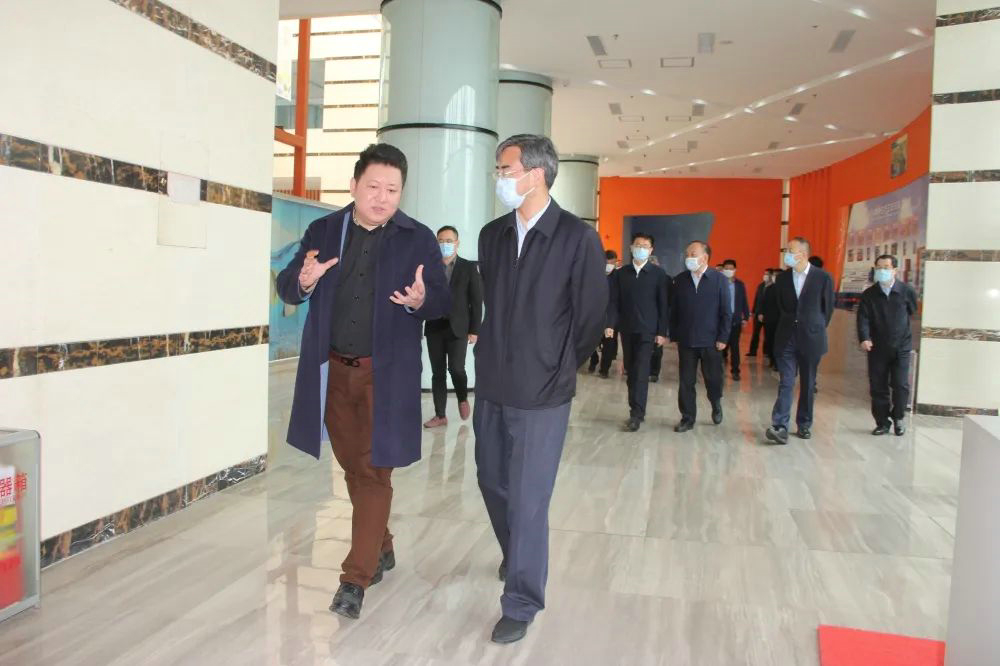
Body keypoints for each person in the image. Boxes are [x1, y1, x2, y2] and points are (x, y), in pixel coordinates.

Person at [276, 144, 451, 620]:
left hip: (385, 376)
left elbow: (441, 301)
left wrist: (420, 300)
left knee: (374, 472)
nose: (382, 197)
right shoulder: (325, 230)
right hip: (332, 372)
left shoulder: (417, 238)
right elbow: (288, 284)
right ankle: (382, 543)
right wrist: (305, 280)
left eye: (392, 190)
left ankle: (355, 578)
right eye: (373, 186)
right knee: (353, 467)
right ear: (354, 186)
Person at [475, 134, 607, 644]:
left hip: (543, 392)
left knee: (529, 498)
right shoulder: (492, 236)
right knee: (492, 481)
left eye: (505, 169)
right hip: (493, 383)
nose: (499, 178)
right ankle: (518, 553)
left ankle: (522, 600)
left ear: (535, 174)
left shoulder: (576, 237)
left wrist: (558, 366)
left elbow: (590, 316)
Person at [765, 237, 835, 444]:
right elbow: (781, 306)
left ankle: (804, 424)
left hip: (811, 337)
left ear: (803, 254)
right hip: (787, 337)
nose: (786, 254)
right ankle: (780, 425)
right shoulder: (783, 278)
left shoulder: (823, 277)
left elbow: (827, 309)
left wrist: (814, 326)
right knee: (786, 381)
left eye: (790, 250)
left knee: (807, 383)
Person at [606, 233, 669, 432]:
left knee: (641, 370)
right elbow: (613, 301)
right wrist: (610, 324)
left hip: (648, 331)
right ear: (631, 247)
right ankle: (634, 407)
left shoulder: (658, 274)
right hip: (627, 329)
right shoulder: (621, 274)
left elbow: (664, 305)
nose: (641, 248)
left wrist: (662, 331)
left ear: (651, 250)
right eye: (637, 245)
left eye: (645, 246)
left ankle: (637, 414)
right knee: (631, 371)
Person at [423, 225, 483, 429]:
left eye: (449, 241)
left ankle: (462, 397)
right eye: (440, 241)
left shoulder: (468, 268)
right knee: (437, 372)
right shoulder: (429, 268)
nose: (444, 244)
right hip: (434, 326)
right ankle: (440, 415)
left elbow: (476, 301)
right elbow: (422, 297)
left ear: (457, 243)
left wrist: (475, 330)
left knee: (456, 368)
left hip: (458, 328)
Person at [669, 241, 732, 433]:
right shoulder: (680, 280)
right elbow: (674, 309)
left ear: (704, 258)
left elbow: (726, 312)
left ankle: (716, 403)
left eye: (693, 254)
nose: (688, 257)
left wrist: (723, 337)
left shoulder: (719, 280)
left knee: (713, 380)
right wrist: (674, 334)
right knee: (686, 382)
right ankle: (687, 418)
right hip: (687, 340)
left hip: (711, 341)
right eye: (687, 254)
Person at [857, 255, 918, 436]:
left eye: (886, 267)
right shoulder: (869, 294)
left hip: (901, 347)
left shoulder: (906, 291)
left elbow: (912, 310)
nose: (882, 270)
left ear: (894, 270)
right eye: (879, 267)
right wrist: (864, 338)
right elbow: (863, 318)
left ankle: (898, 417)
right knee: (878, 386)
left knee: (900, 384)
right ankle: (882, 422)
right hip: (877, 347)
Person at [589, 249, 620, 377]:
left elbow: (617, 300)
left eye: (612, 263)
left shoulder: (618, 277)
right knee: (591, 341)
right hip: (594, 315)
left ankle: (604, 369)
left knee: (609, 344)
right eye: (607, 263)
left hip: (611, 315)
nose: (609, 266)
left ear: (616, 263)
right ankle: (593, 360)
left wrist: (612, 322)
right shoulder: (594, 275)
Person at [720, 259, 750, 380]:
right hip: (721, 319)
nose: (728, 270)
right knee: (720, 345)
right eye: (726, 268)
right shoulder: (719, 283)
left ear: (735, 270)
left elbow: (744, 301)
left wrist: (746, 316)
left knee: (735, 346)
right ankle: (718, 369)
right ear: (723, 270)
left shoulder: (740, 285)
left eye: (731, 268)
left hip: (735, 320)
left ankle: (735, 371)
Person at [747, 269, 772, 357]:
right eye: (765, 274)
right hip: (758, 314)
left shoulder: (773, 287)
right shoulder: (761, 286)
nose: (765, 276)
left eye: (767, 274)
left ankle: (766, 352)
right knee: (755, 333)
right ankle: (752, 351)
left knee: (767, 334)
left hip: (768, 314)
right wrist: (753, 311)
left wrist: (764, 313)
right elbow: (757, 299)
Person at [762, 267, 782, 370]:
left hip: (781, 320)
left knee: (779, 341)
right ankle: (771, 359)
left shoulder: (786, 289)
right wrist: (762, 313)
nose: (775, 277)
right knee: (769, 340)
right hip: (769, 319)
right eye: (774, 275)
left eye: (778, 275)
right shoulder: (769, 288)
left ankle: (778, 363)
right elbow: (764, 302)